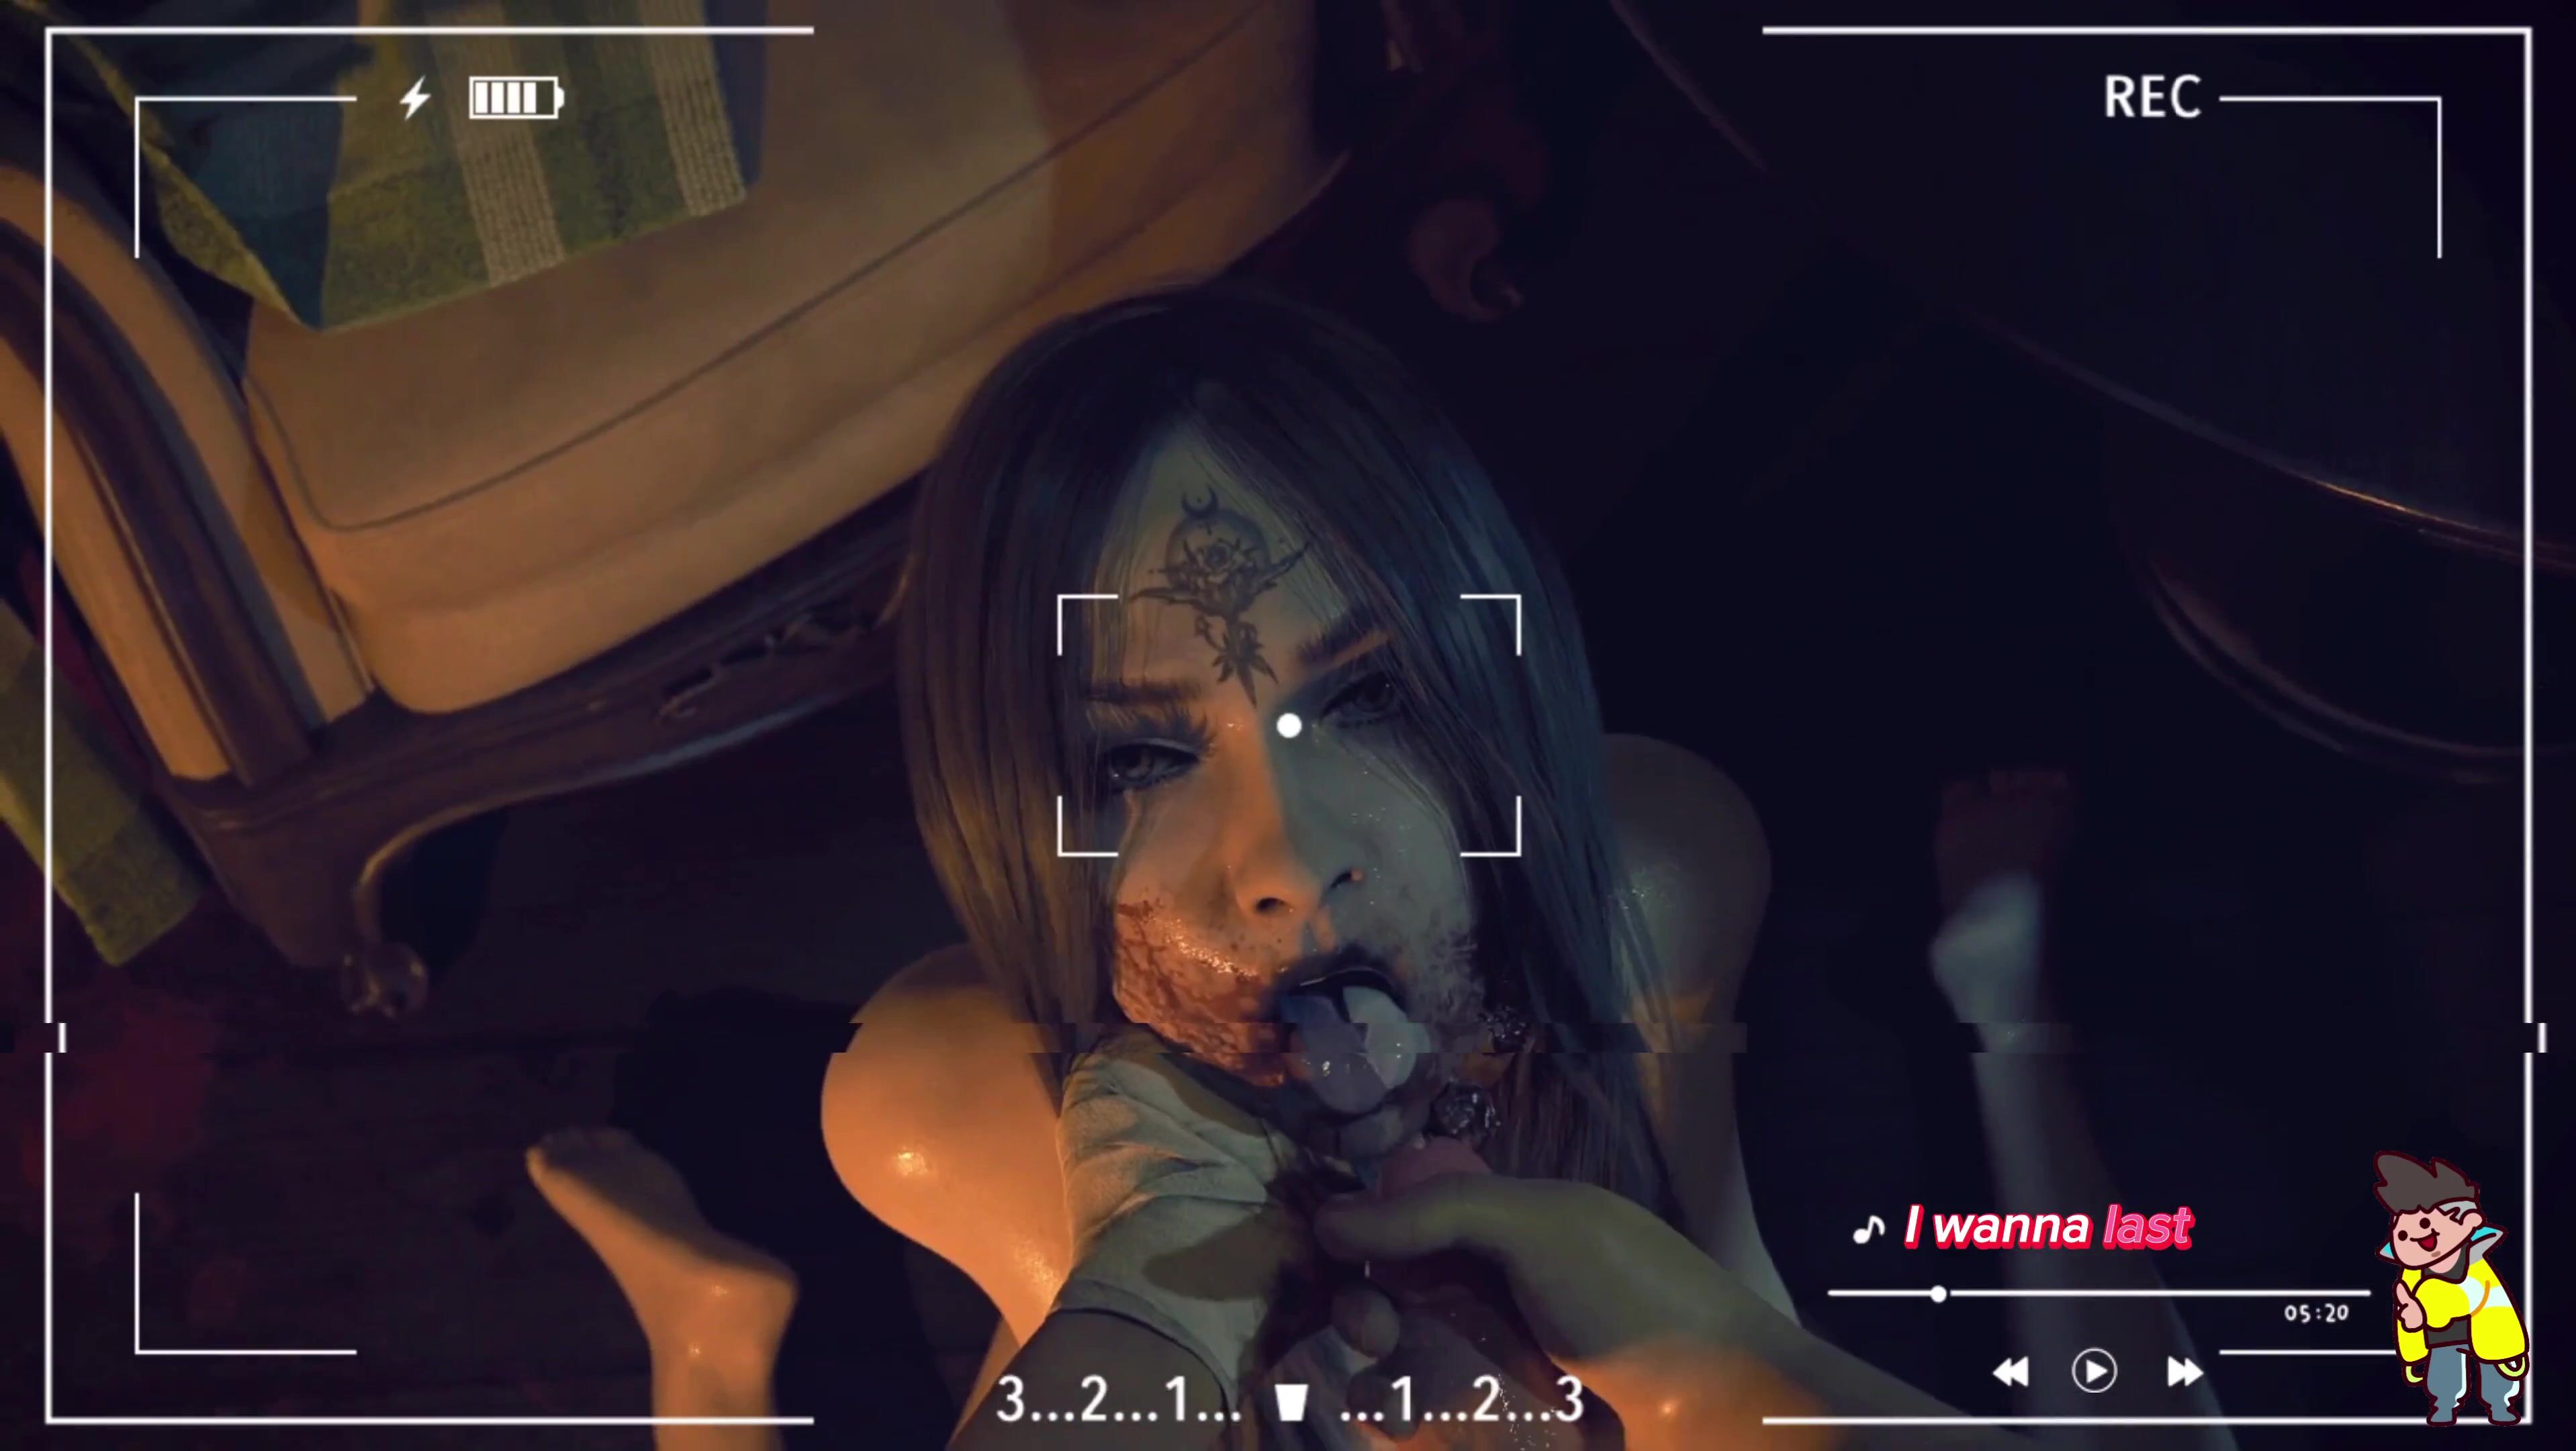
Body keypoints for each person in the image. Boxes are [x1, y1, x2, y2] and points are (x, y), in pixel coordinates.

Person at [528, 285, 2021, 1450]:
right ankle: (716, 1350)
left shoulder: (1659, 875)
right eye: (1137, 758)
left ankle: (712, 1348)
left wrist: (1702, 1356)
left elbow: (1712, 1237)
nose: (1292, 867)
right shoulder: (944, 1106)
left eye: (1370, 698)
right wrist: (1152, 1292)